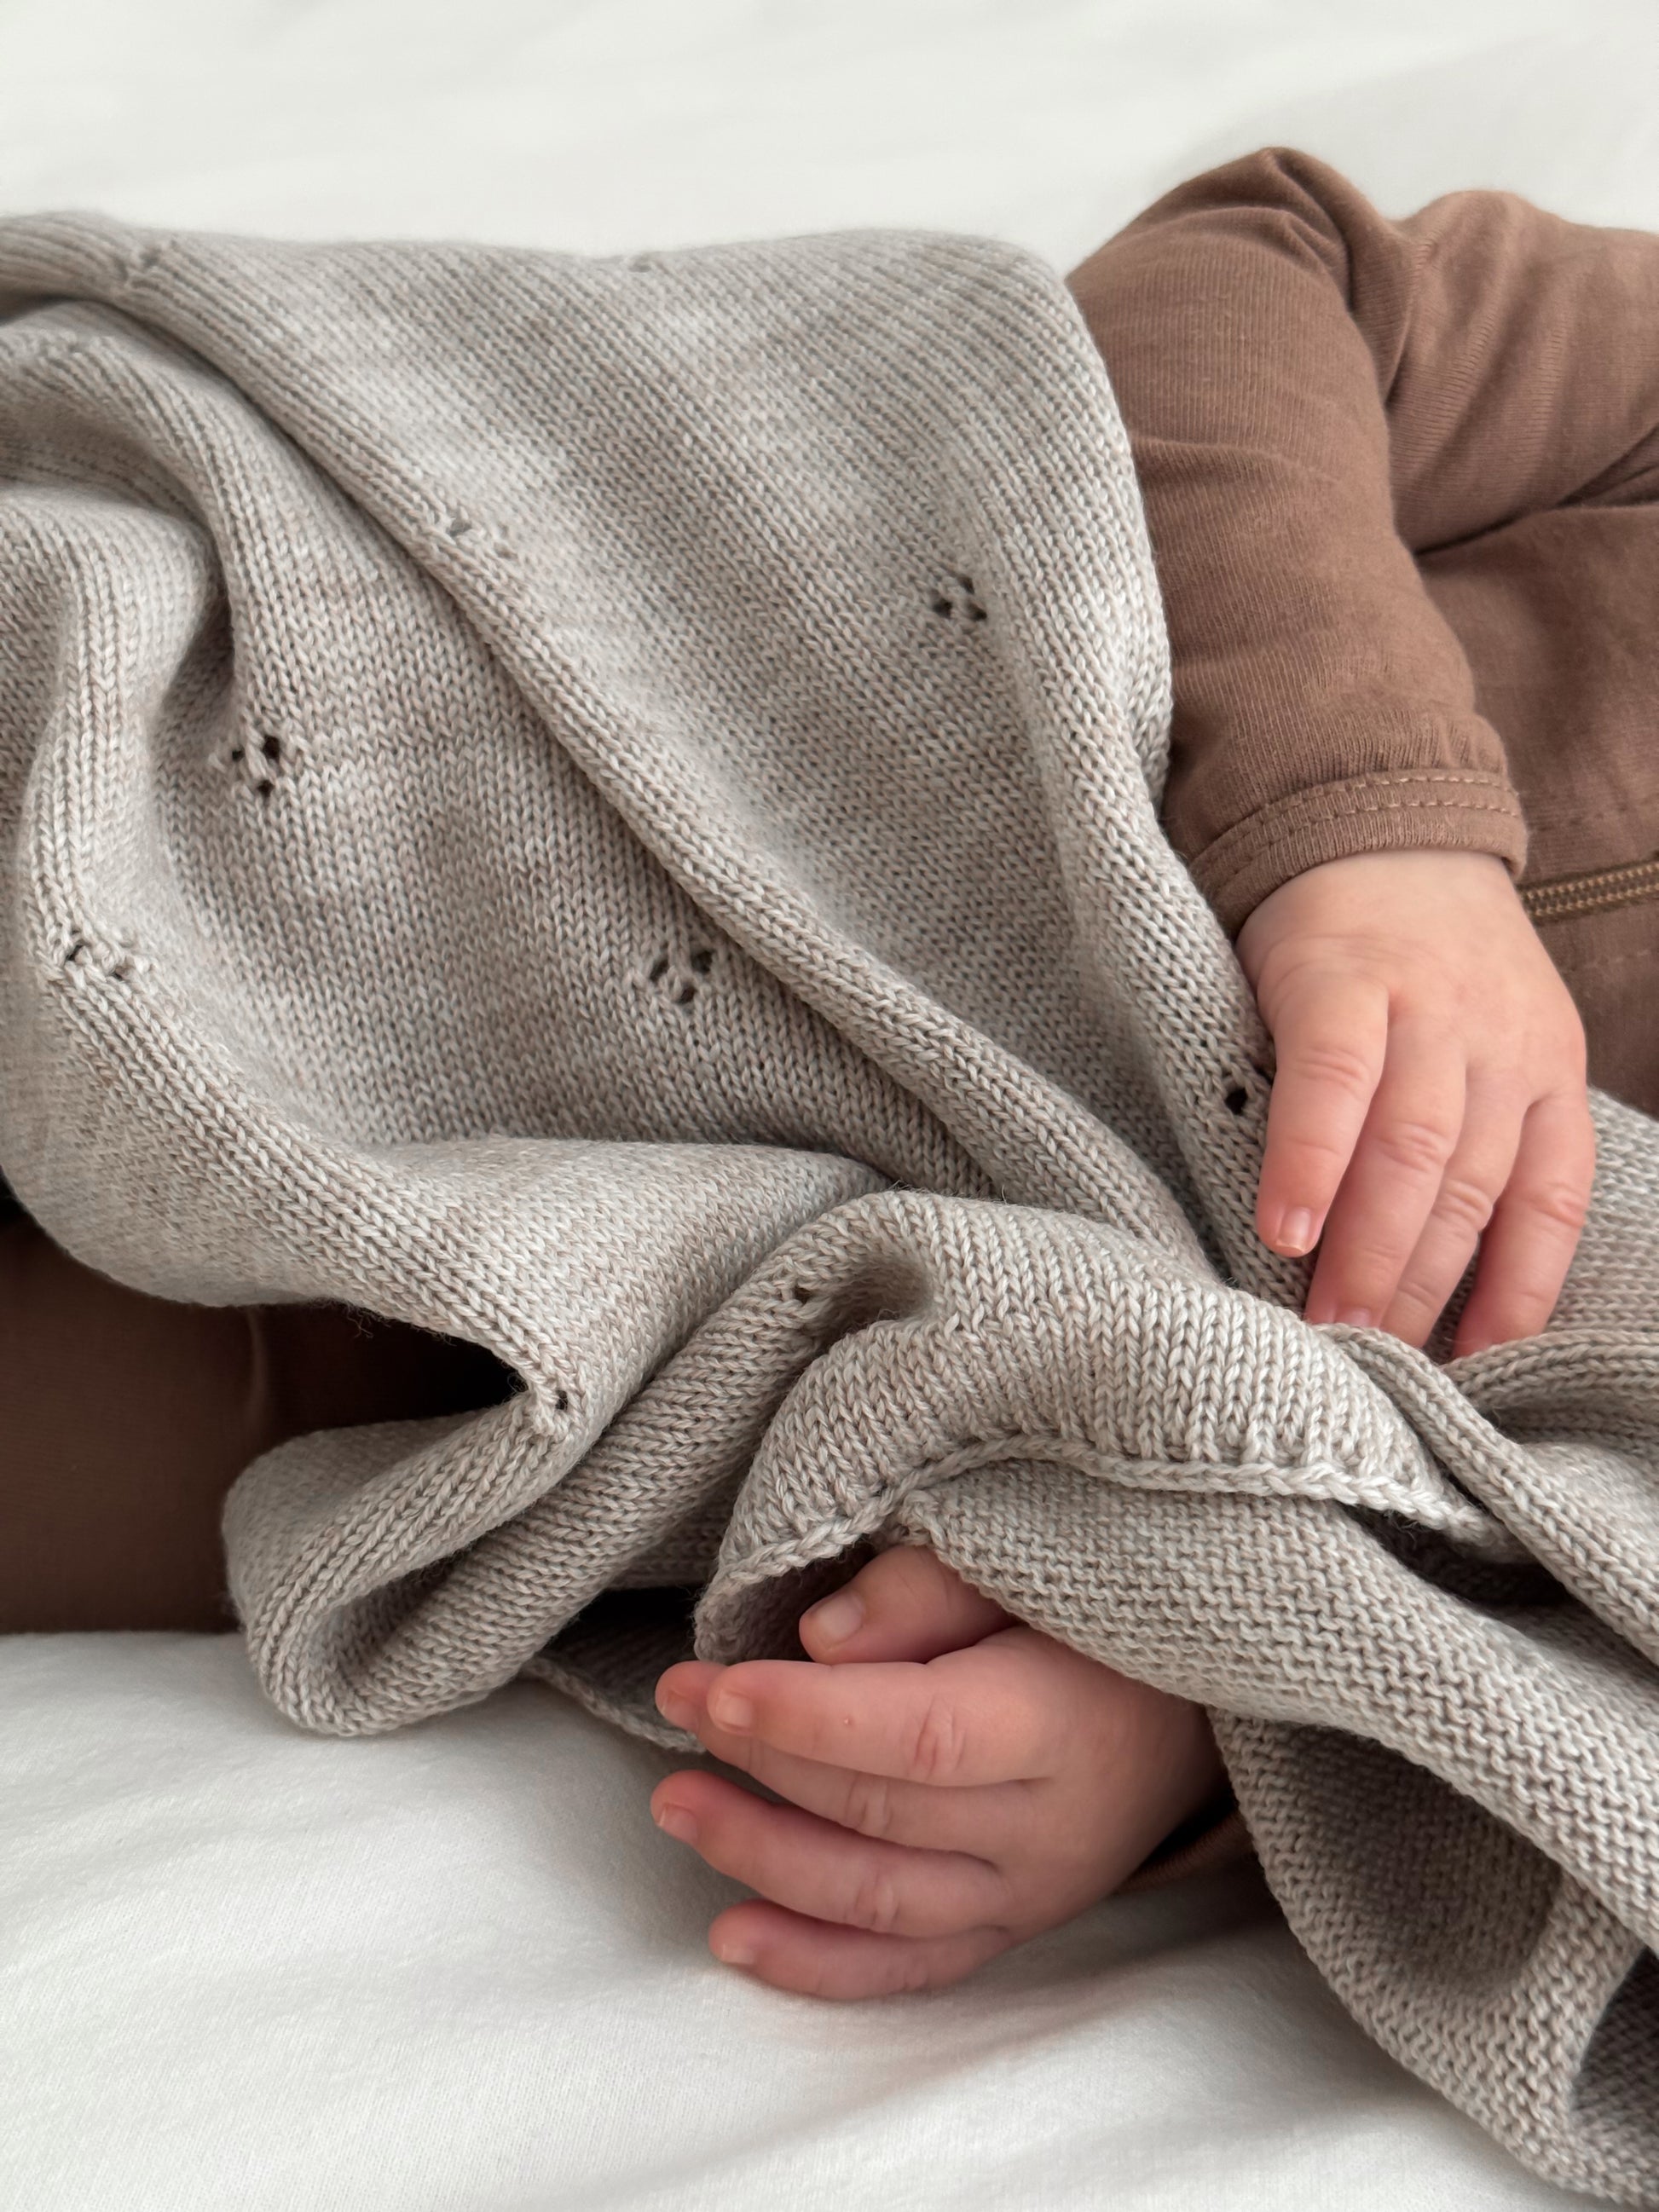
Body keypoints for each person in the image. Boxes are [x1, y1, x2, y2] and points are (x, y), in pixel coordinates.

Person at [4, 148, 1654, 1999]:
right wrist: (1376, 828)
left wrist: (1198, 1685)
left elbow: (1571, 1568)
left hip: (617, 1304)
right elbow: (1263, 276)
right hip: (527, 721)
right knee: (84, 692)